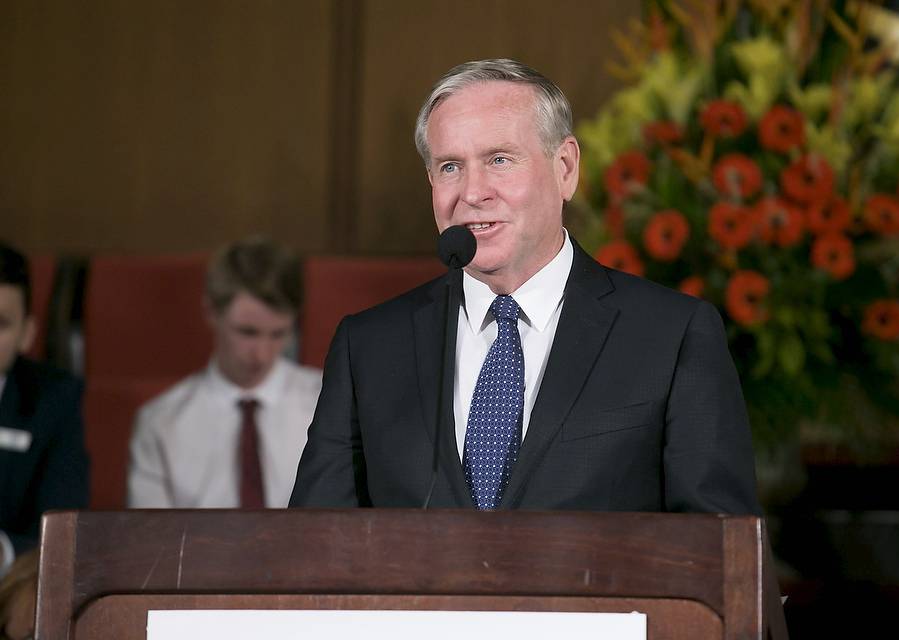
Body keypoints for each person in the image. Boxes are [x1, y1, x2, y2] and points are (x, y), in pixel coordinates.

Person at [289, 59, 760, 515]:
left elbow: (717, 553)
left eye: (499, 159)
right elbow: (315, 548)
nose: (472, 192)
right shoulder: (369, 346)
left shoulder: (672, 336)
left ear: (566, 168)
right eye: (450, 166)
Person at [127, 237, 323, 508]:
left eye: (279, 334)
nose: (262, 354)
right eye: (247, 332)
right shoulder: (160, 423)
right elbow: (150, 543)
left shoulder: (328, 405)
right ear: (210, 312)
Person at [0, 242, 88, 640]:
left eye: (0, 323)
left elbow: (65, 530)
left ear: (26, 333)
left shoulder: (54, 400)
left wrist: (2, 553)